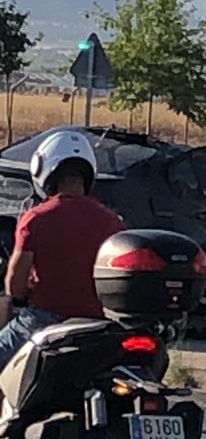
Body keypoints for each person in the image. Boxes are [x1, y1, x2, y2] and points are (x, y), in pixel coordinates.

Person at [0, 130, 121, 369]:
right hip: (96, 326)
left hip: (42, 321)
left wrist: (24, 294)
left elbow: (14, 285)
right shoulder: (113, 222)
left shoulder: (35, 218)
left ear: (44, 170)